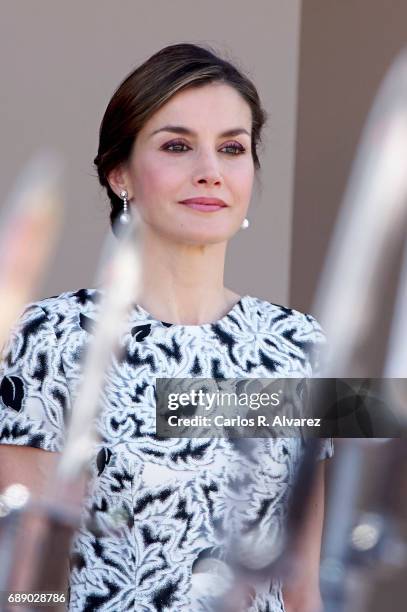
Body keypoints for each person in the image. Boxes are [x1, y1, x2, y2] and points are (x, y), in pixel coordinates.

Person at [0, 43, 333, 612]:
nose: (210, 172)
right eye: (178, 145)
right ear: (119, 174)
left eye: (232, 147)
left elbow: (300, 584)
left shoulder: (299, 345)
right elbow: (28, 581)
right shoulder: (53, 338)